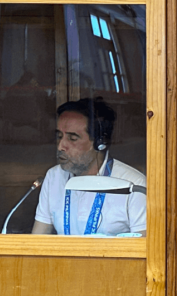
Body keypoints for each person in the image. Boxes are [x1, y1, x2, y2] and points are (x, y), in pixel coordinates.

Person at [32, 98, 146, 236]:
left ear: (100, 143)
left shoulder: (134, 186)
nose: (61, 146)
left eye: (72, 138)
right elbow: (38, 240)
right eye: (59, 136)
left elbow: (145, 250)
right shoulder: (53, 177)